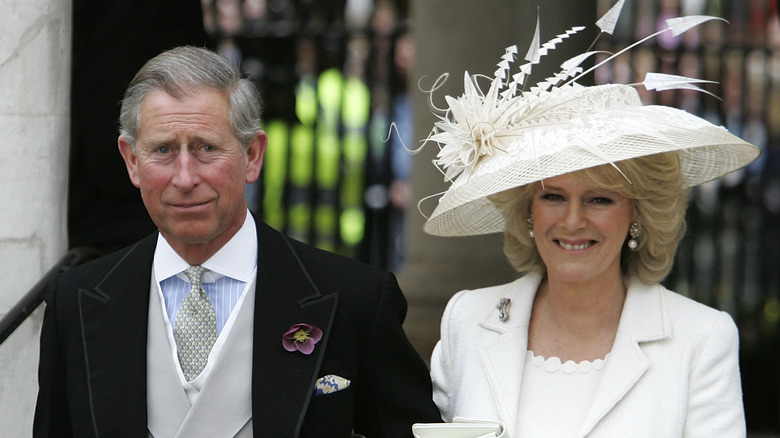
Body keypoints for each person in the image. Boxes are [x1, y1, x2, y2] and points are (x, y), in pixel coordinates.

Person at [34, 45, 441, 438]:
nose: (185, 177)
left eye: (206, 148)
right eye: (162, 150)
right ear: (131, 160)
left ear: (252, 155)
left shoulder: (355, 299)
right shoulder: (77, 301)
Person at [417, 7, 760, 438]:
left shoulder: (701, 338)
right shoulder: (467, 320)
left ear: (638, 213)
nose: (573, 220)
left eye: (600, 199)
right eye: (553, 197)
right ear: (527, 211)